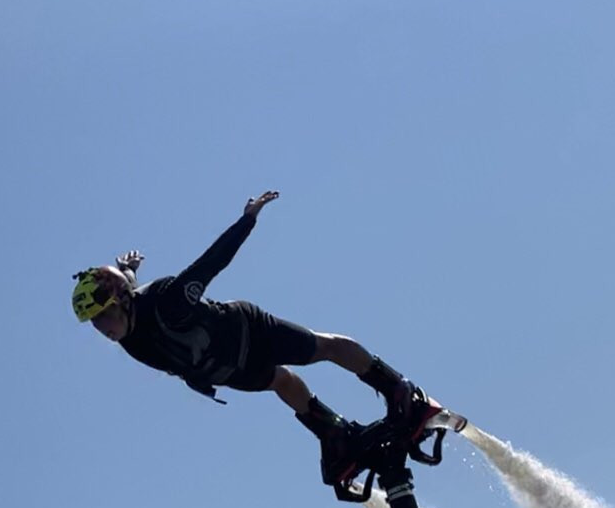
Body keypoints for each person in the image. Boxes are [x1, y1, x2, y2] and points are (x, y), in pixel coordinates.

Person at [71, 191, 419, 484]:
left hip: (247, 332)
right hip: (224, 370)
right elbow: (127, 283)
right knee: (281, 381)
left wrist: (247, 219)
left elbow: (212, 262)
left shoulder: (169, 303)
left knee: (321, 348)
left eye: (104, 316)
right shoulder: (128, 329)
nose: (103, 328)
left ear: (123, 302)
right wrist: (127, 267)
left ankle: (395, 387)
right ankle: (333, 433)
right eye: (94, 323)